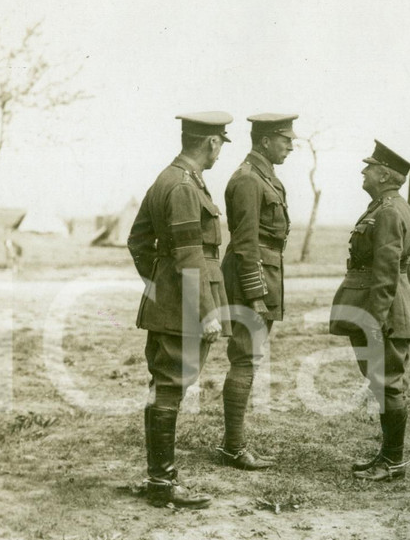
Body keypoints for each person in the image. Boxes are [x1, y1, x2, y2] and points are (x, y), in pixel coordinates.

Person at [127, 112, 234, 509]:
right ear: (210, 143)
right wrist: (205, 311)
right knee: (170, 387)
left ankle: (160, 477)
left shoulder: (166, 179)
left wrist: (160, 289)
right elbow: (191, 255)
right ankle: (162, 482)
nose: (220, 152)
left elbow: (138, 243)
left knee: (164, 386)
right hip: (187, 307)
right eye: (220, 144)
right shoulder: (185, 186)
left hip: (171, 304)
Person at [329, 140, 410, 481]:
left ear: (383, 175)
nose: (363, 172)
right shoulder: (385, 206)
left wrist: (373, 320)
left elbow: (386, 274)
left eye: (369, 167)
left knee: (388, 383)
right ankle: (387, 456)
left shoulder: (390, 211)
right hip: (384, 310)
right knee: (382, 382)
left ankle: (393, 462)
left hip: (387, 312)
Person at [218, 113, 298, 470]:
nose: (291, 146)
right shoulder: (249, 180)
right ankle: (233, 447)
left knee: (249, 357)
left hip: (265, 274)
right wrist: (255, 294)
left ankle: (233, 444)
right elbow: (246, 242)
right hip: (253, 279)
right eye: (286, 140)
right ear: (265, 140)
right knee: (245, 358)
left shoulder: (264, 175)